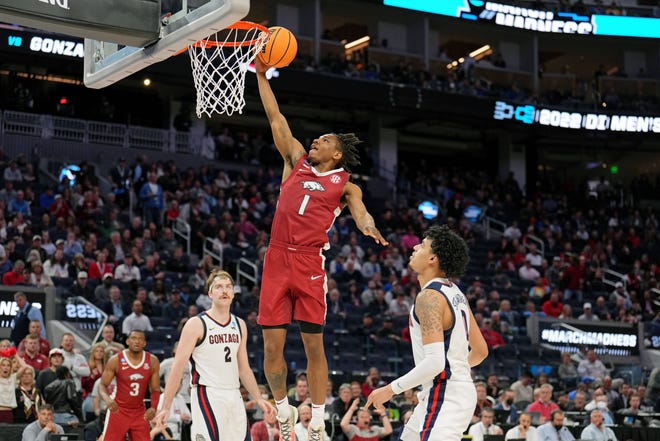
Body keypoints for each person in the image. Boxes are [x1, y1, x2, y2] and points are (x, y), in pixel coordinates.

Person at [254, 57, 388, 441]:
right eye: (317, 138)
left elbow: (361, 214)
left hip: (310, 262)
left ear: (337, 155)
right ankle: (282, 410)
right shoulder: (296, 161)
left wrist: (368, 226)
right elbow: (275, 118)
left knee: (314, 345)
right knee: (271, 344)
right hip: (277, 256)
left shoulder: (346, 185)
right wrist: (262, 76)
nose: (315, 140)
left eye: (324, 140)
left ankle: (316, 419)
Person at [365, 225, 488, 441]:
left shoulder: (429, 297)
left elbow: (435, 363)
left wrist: (390, 390)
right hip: (447, 392)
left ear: (433, 259)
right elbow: (480, 351)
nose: (415, 247)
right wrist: (456, 371)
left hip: (445, 395)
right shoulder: (456, 293)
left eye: (422, 245)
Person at [155, 269, 275, 441]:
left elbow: (244, 369)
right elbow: (177, 367)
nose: (224, 290)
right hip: (207, 393)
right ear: (210, 293)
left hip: (234, 394)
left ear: (233, 293)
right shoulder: (196, 324)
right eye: (218, 286)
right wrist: (165, 407)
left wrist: (258, 398)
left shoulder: (240, 325)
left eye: (228, 286)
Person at [98, 330, 161, 441]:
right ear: (127, 341)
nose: (137, 341)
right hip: (118, 410)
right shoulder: (116, 360)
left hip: (139, 412)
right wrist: (107, 399)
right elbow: (102, 385)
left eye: (140, 339)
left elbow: (155, 389)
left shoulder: (152, 361)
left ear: (144, 343)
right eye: (133, 338)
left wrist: (153, 407)